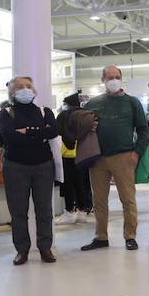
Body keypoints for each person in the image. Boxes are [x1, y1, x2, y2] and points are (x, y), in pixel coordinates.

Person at [83, 66, 149, 251]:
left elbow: (143, 130)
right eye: (110, 77)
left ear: (121, 78)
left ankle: (130, 236)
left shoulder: (132, 102)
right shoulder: (93, 103)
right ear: (103, 79)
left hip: (123, 156)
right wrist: (89, 127)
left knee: (128, 199)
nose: (114, 80)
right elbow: (82, 128)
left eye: (117, 76)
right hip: (97, 158)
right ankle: (101, 236)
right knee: (99, 200)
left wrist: (137, 152)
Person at [0, 76, 59, 265]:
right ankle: (22, 250)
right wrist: (38, 132)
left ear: (34, 90)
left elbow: (53, 131)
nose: (25, 89)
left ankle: (45, 248)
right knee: (18, 211)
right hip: (15, 166)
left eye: (28, 86)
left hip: (43, 166)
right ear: (12, 92)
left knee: (45, 210)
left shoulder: (45, 111)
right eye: (20, 87)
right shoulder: (5, 113)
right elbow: (10, 137)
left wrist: (26, 131)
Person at [55, 92, 93, 225]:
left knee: (68, 184)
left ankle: (69, 211)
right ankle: (82, 211)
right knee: (81, 184)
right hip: (83, 153)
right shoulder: (85, 114)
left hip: (66, 154)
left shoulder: (63, 115)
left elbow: (56, 132)